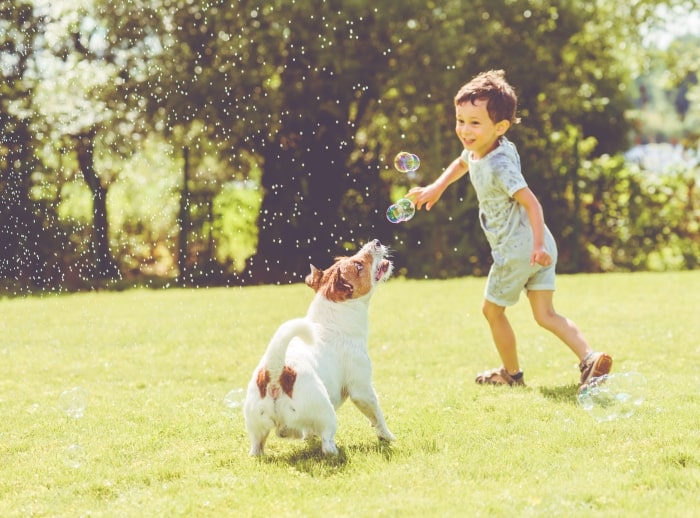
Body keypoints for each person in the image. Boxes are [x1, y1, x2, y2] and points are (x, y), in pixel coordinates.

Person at [406, 70, 611, 390]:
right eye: (460, 120)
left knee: (491, 310)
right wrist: (436, 187)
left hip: (520, 248)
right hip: (537, 244)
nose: (464, 129)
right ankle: (589, 358)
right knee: (545, 315)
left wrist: (537, 246)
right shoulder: (487, 147)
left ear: (499, 126)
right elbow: (462, 162)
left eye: (474, 123)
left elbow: (533, 204)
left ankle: (511, 374)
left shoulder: (499, 165)